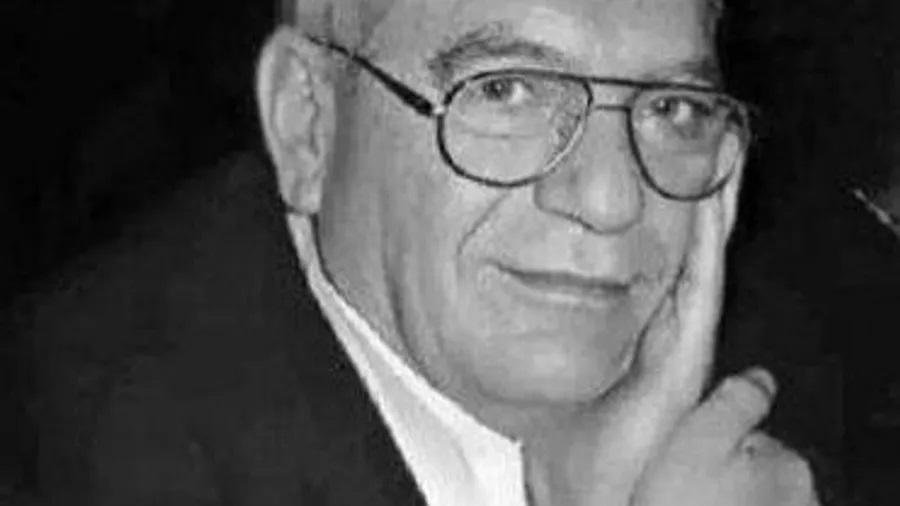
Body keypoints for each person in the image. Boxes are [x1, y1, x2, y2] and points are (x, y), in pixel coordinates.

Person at [18, 0, 820, 504]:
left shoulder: (804, 385)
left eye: (673, 107)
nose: (612, 201)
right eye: (505, 90)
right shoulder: (67, 460)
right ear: (309, 123)